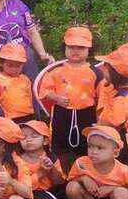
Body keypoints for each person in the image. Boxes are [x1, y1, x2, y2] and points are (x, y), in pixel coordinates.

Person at [36, 26, 102, 172]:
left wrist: (100, 121)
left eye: (81, 47)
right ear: (64, 48)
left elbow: (102, 98)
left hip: (87, 115)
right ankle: (60, 177)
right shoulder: (56, 71)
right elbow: (44, 91)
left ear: (89, 49)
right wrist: (56, 98)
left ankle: (86, 176)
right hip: (62, 114)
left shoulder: (95, 73)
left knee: (87, 148)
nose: (75, 51)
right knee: (60, 150)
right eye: (71, 47)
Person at [94, 47, 128, 179]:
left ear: (116, 72)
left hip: (124, 137)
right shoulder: (121, 90)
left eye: (106, 67)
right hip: (121, 136)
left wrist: (99, 127)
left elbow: (115, 120)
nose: (103, 70)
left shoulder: (122, 95)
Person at [18, 120, 68, 199]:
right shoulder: (17, 159)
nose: (28, 140)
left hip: (50, 190)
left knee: (66, 188)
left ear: (45, 141)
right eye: (23, 137)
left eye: (34, 136)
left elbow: (59, 182)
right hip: (29, 192)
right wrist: (40, 173)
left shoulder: (51, 157)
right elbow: (21, 185)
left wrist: (51, 169)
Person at [0, 42, 35, 122]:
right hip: (9, 118)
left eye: (18, 66)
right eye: (10, 65)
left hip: (28, 116)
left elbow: (30, 98)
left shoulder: (25, 79)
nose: (14, 69)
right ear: (1, 63)